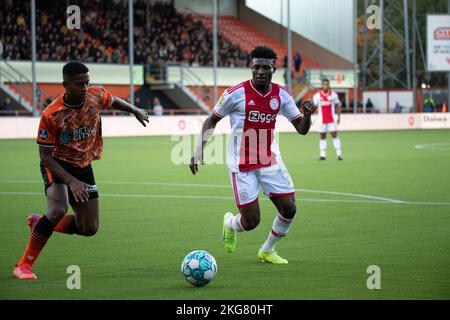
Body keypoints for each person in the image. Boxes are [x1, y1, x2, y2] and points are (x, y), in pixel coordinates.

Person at [12, 61, 149, 280]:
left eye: (87, 82)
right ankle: (23, 266)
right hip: (57, 164)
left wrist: (135, 110)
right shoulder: (52, 114)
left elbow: (112, 100)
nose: (85, 88)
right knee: (58, 209)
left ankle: (42, 224)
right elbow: (45, 156)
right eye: (79, 84)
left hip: (83, 165)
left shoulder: (95, 96)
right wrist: (71, 182)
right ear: (65, 85)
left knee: (89, 227)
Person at [189, 46, 317, 264]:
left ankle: (267, 250)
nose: (260, 71)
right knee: (251, 222)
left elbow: (302, 129)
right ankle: (230, 223)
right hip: (242, 164)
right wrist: (199, 149)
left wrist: (306, 115)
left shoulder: (282, 95)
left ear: (273, 69)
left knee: (290, 208)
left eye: (265, 68)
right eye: (256, 67)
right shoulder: (234, 93)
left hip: (270, 160)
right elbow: (212, 120)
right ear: (250, 67)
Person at [313, 78, 343, 161]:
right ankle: (322, 155)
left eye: (327, 84)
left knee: (335, 136)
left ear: (329, 85)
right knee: (322, 137)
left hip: (331, 120)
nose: (325, 86)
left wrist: (339, 117)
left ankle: (339, 154)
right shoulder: (317, 96)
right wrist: (312, 118)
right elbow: (314, 108)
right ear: (321, 86)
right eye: (324, 84)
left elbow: (338, 105)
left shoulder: (333, 95)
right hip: (321, 120)